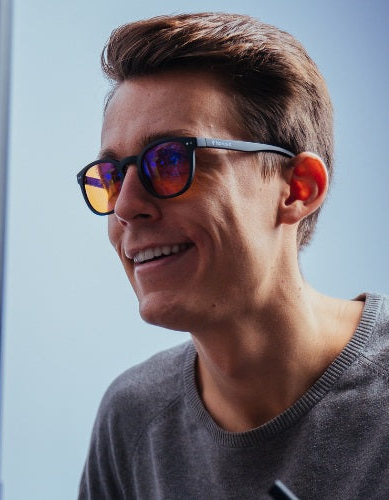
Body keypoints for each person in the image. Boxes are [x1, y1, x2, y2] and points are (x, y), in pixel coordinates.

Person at [75, 12, 389, 499]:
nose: (127, 206)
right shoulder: (132, 417)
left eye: (172, 159)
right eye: (112, 175)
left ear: (298, 188)